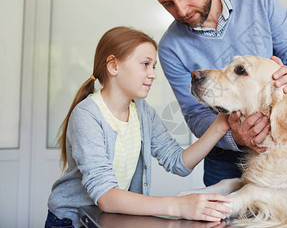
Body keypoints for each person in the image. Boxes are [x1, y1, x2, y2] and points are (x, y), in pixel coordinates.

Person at [141, 0, 287, 187]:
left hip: (285, 146)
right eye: (167, 4)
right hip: (224, 161)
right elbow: (195, 114)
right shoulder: (170, 47)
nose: (180, 10)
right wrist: (235, 136)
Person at [45, 26, 232, 228]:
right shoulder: (87, 115)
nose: (152, 74)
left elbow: (179, 162)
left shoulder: (143, 112)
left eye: (154, 66)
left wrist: (221, 124)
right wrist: (179, 206)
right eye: (145, 64)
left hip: (109, 220)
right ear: (113, 66)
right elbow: (106, 196)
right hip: (70, 221)